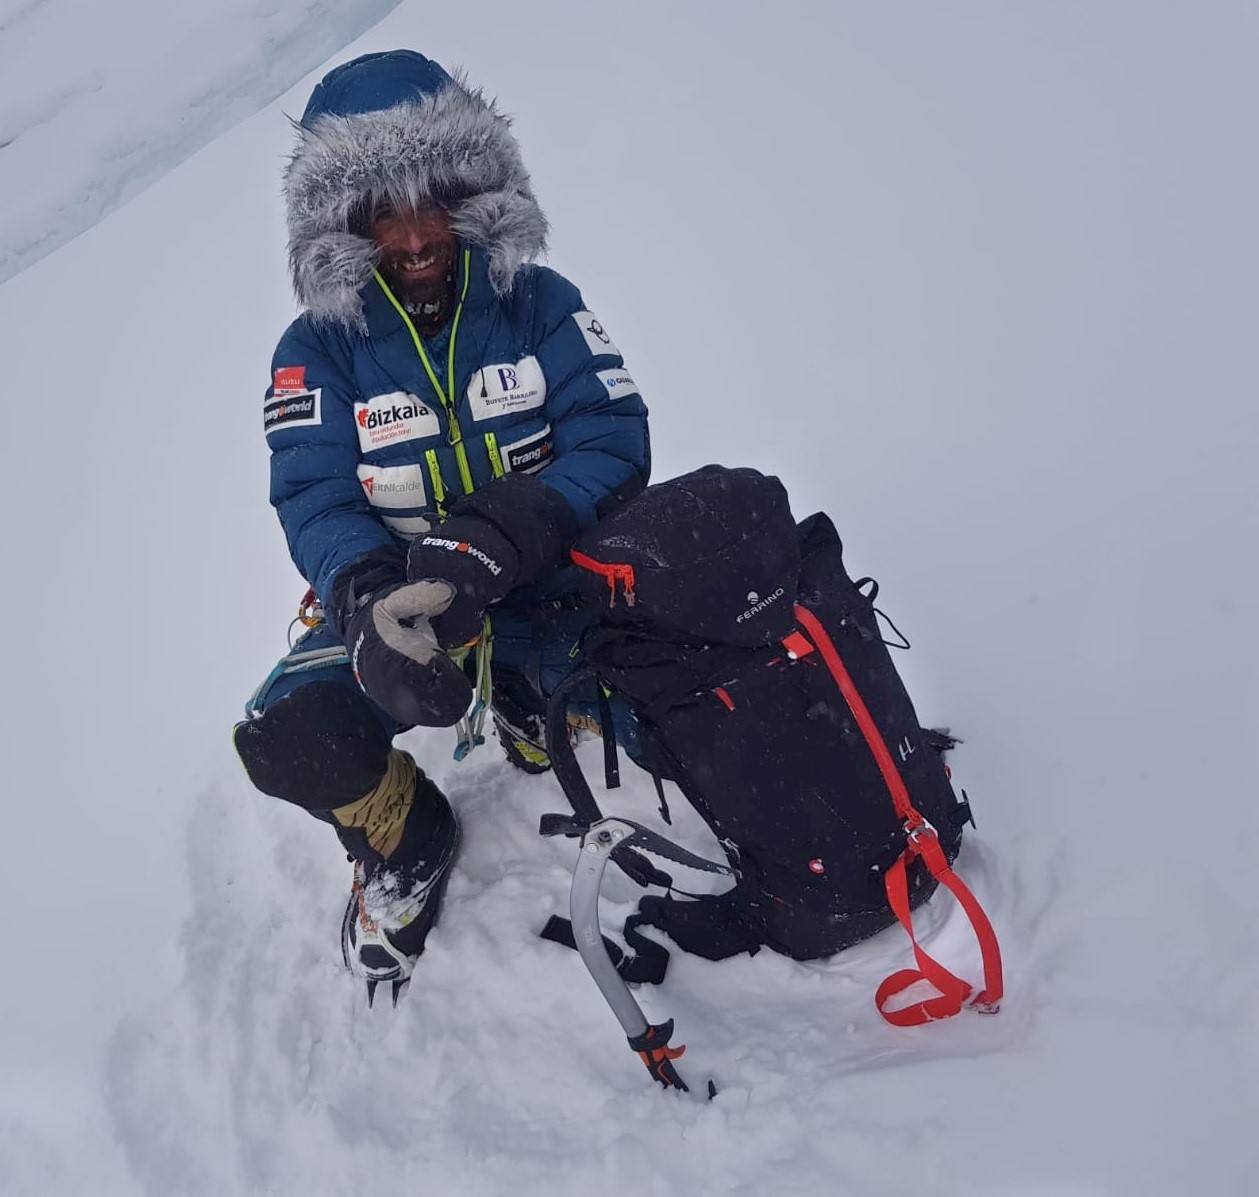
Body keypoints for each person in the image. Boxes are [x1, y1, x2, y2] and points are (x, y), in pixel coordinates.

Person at [233, 49, 649, 1002]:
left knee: (681, 694)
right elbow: (314, 498)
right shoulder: (313, 355)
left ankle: (536, 705)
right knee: (288, 733)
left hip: (555, 586)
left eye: (434, 200)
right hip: (409, 609)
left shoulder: (541, 303)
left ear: (474, 195)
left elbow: (615, 434)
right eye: (383, 211)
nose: (415, 236)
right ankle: (405, 834)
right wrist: (367, 596)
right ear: (342, 228)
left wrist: (500, 535)